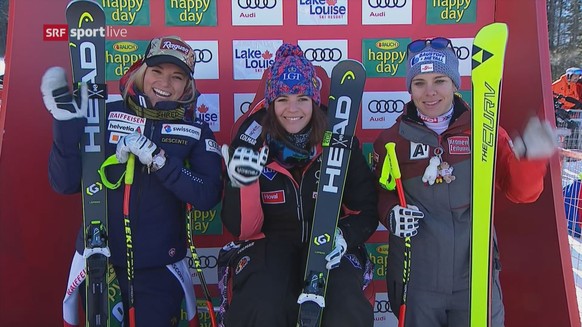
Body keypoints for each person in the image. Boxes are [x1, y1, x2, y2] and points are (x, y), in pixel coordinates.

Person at [372, 37, 557, 327]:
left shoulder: (484, 131)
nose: (429, 92)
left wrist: (530, 158)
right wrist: (391, 213)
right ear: (409, 88)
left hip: (475, 277)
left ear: (455, 83)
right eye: (419, 82)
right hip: (418, 279)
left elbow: (522, 193)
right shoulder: (392, 141)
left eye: (440, 80)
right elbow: (381, 193)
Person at [41, 35, 223, 326]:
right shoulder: (106, 115)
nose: (166, 83)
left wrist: (161, 161)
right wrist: (64, 126)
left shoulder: (196, 131)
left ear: (188, 85)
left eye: (177, 76)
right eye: (157, 72)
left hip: (159, 268)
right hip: (101, 263)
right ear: (142, 72)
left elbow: (207, 194)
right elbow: (64, 183)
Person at [218, 43, 378, 327]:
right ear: (271, 103)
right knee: (263, 302)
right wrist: (242, 185)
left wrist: (343, 237)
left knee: (344, 305)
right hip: (268, 243)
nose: (292, 109)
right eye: (282, 99)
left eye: (302, 98)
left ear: (314, 101)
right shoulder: (251, 142)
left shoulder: (338, 141)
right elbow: (242, 229)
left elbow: (365, 210)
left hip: (327, 243)